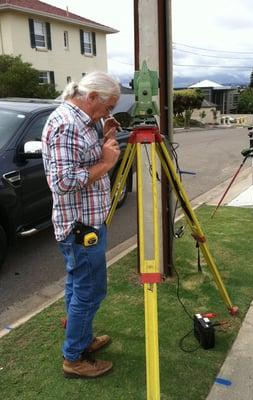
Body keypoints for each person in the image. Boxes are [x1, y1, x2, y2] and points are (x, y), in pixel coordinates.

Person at [42, 71, 121, 379]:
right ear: (91, 98)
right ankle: (74, 357)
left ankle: (82, 338)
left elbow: (80, 160)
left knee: (79, 284)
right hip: (80, 226)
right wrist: (107, 164)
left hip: (86, 222)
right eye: (107, 107)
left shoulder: (83, 121)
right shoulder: (67, 125)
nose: (108, 113)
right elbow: (62, 182)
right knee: (90, 289)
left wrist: (104, 137)